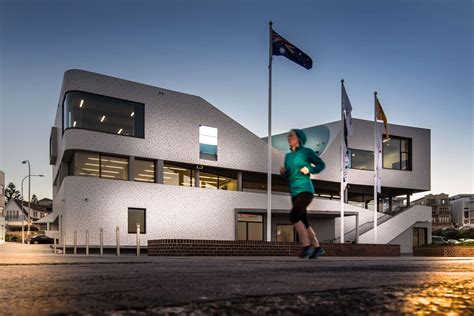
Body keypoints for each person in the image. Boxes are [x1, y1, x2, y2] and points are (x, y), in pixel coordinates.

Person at [280, 129, 326, 259]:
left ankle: (306, 246)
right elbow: (288, 175)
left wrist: (309, 169)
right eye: (288, 136)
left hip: (306, 190)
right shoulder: (288, 156)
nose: (288, 138)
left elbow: (320, 164)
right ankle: (318, 248)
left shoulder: (307, 152)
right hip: (294, 192)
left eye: (291, 135)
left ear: (299, 137)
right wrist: (284, 172)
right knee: (304, 222)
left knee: (294, 216)